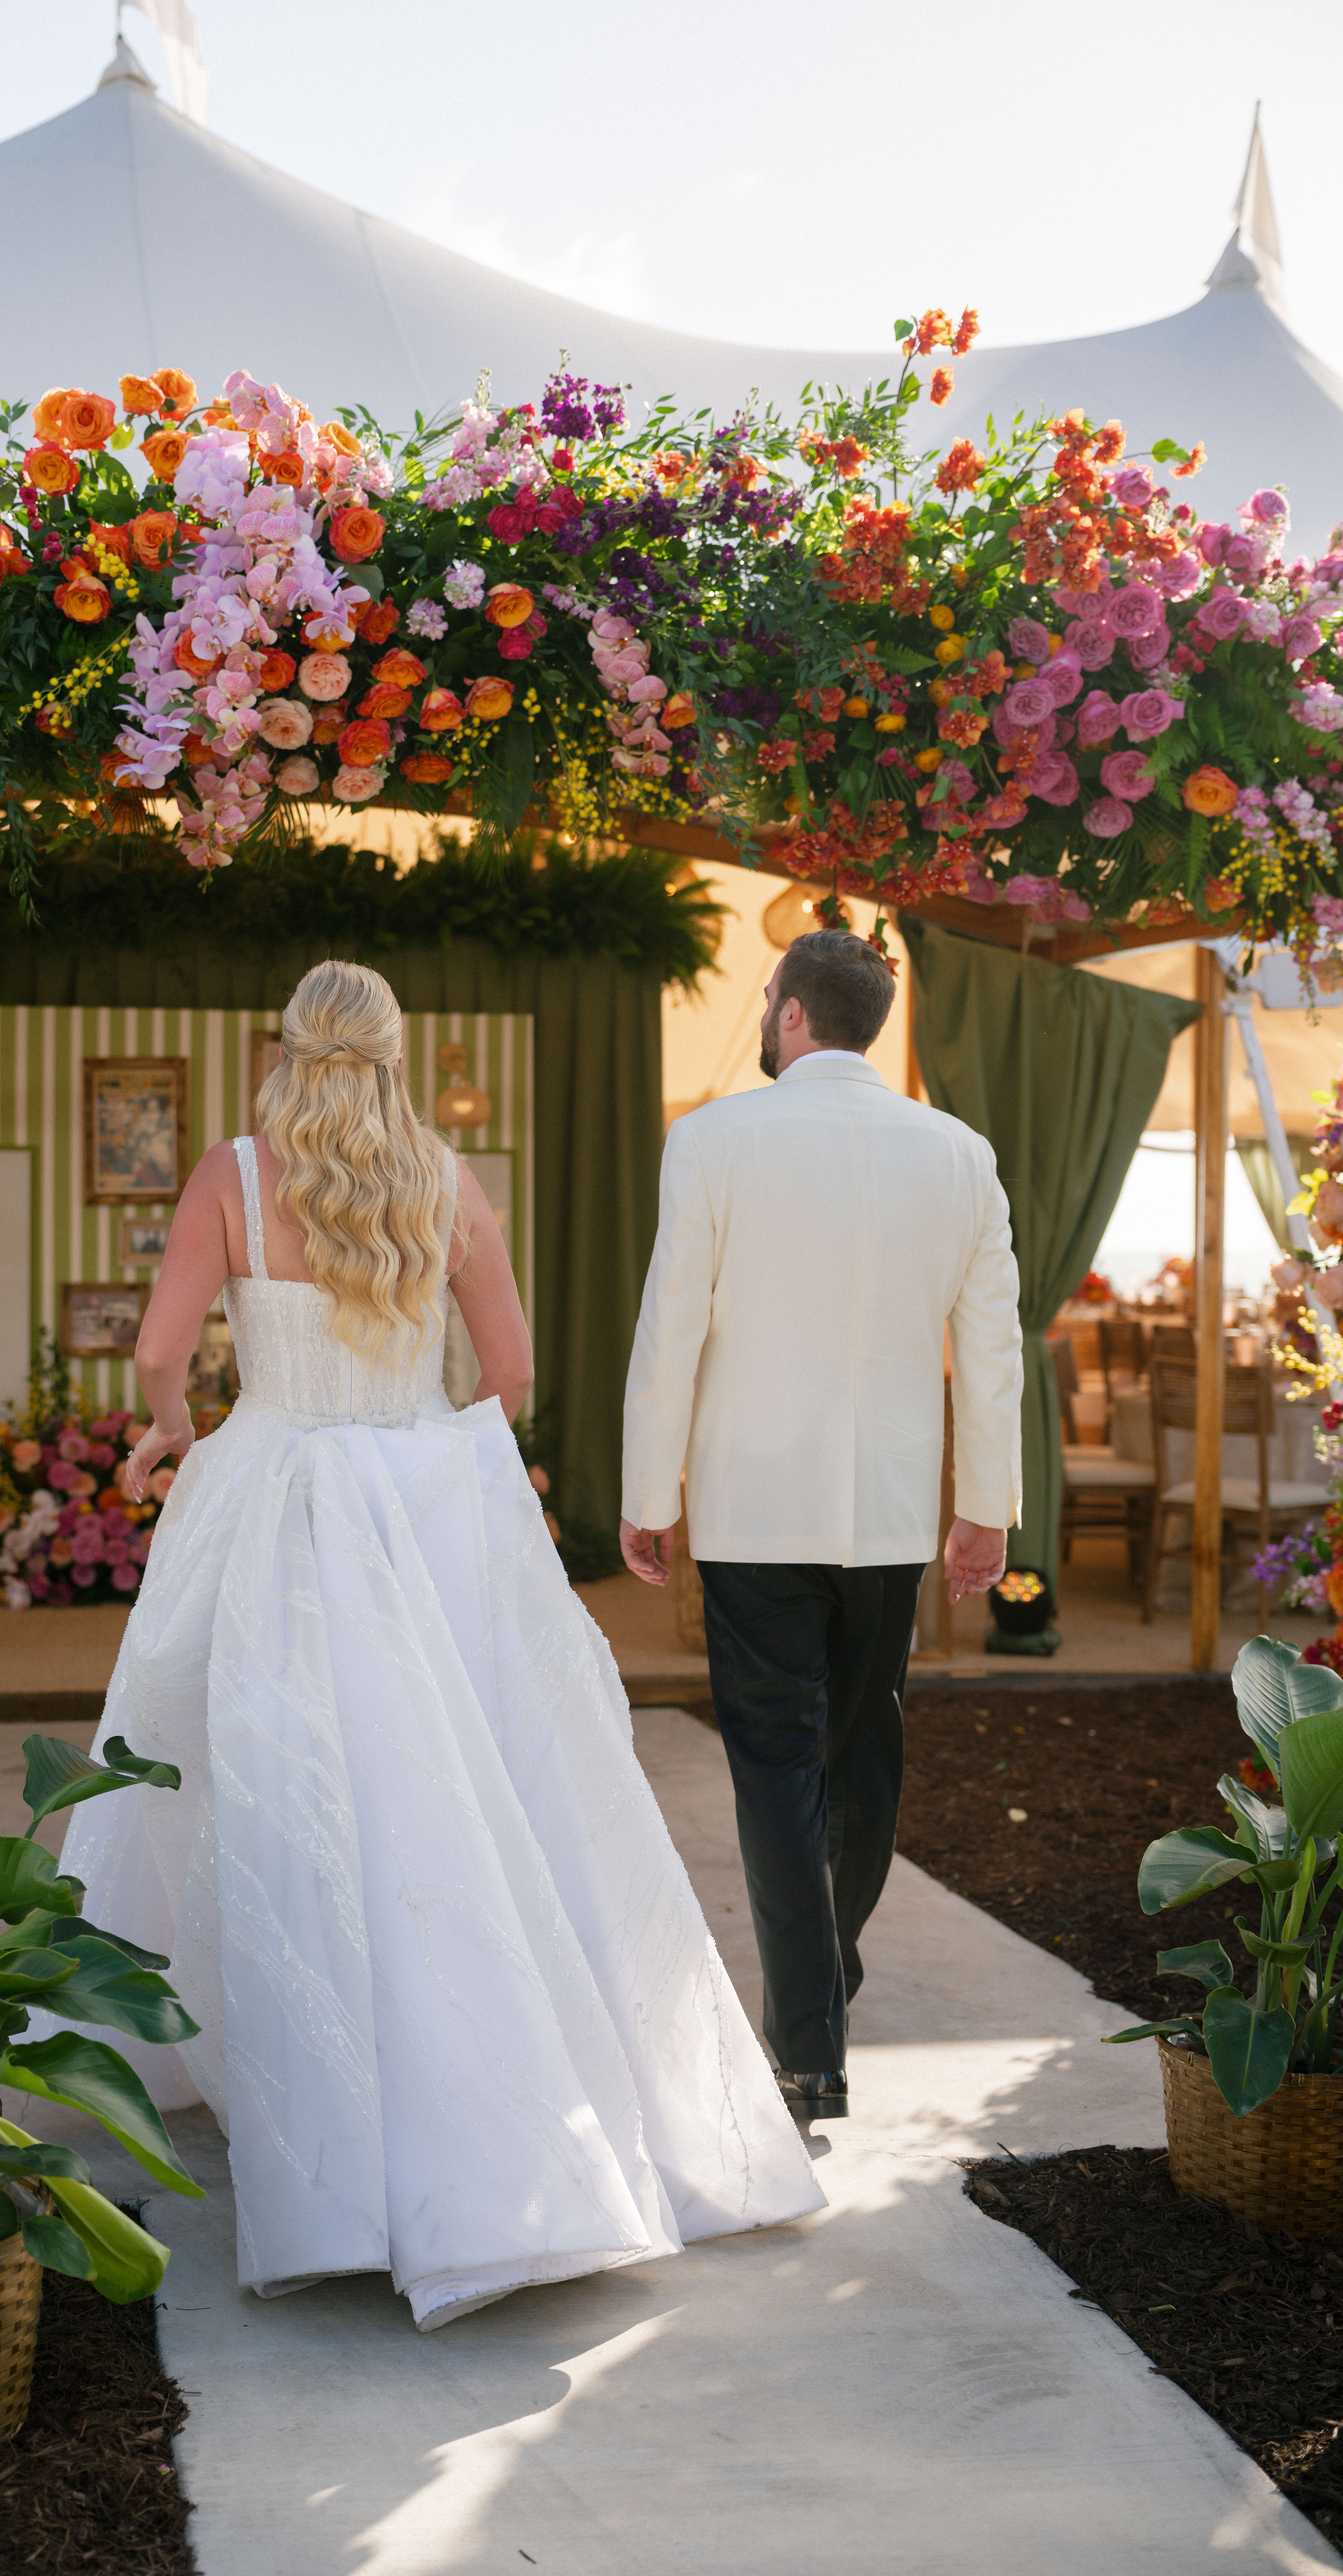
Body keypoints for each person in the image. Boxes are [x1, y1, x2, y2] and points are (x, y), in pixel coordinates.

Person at [62, 959, 823, 2332]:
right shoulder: (443, 1177)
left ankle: (304, 2102)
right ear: (397, 1054)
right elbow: (513, 1374)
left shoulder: (230, 1177)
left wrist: (177, 1425)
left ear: (282, 1048)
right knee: (458, 1793)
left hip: (278, 1494)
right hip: (419, 1502)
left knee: (263, 1784)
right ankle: (507, 2102)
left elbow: (161, 1351)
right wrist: (419, 1424)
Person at [621, 930, 1022, 2127]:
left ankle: (806, 2044)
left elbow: (671, 1326)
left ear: (791, 1014)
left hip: (753, 1505)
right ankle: (821, 1988)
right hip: (893, 1510)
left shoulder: (712, 1141)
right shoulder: (960, 1153)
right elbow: (991, 1352)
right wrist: (986, 1511)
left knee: (778, 1765)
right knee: (865, 1753)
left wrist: (651, 1495)